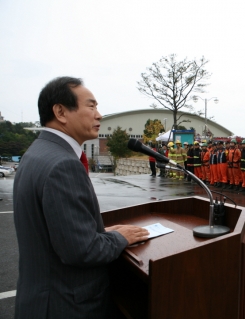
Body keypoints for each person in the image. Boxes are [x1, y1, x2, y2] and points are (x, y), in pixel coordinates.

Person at [13, 77, 149, 319]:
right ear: (61, 112)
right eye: (91, 106)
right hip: (66, 305)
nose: (99, 115)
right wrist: (119, 237)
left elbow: (57, 233)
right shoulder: (63, 164)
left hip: (40, 299)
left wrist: (100, 234)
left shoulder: (37, 153)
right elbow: (81, 251)